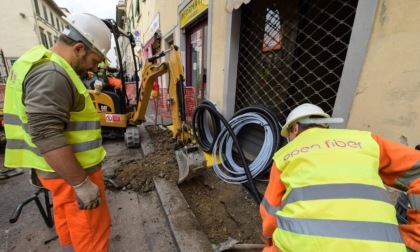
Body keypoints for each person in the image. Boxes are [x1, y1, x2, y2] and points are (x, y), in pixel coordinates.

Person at [3, 13, 112, 252]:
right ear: (79, 48)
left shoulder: (37, 62)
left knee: (68, 220)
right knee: (92, 231)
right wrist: (82, 183)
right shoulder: (52, 74)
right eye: (95, 60)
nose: (94, 68)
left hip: (56, 172)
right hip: (73, 171)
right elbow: (46, 135)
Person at [260, 103, 420, 251]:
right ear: (324, 124)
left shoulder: (284, 156)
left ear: (295, 128)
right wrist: (415, 237)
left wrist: (268, 240)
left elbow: (270, 213)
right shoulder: (367, 140)